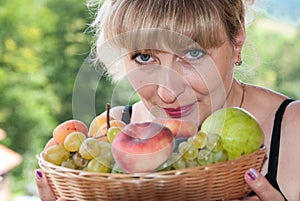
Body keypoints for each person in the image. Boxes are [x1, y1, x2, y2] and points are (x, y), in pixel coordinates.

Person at [36, 0, 300, 200]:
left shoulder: (293, 131)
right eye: (144, 58)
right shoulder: (112, 133)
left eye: (193, 53)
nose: (167, 94)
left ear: (237, 40)